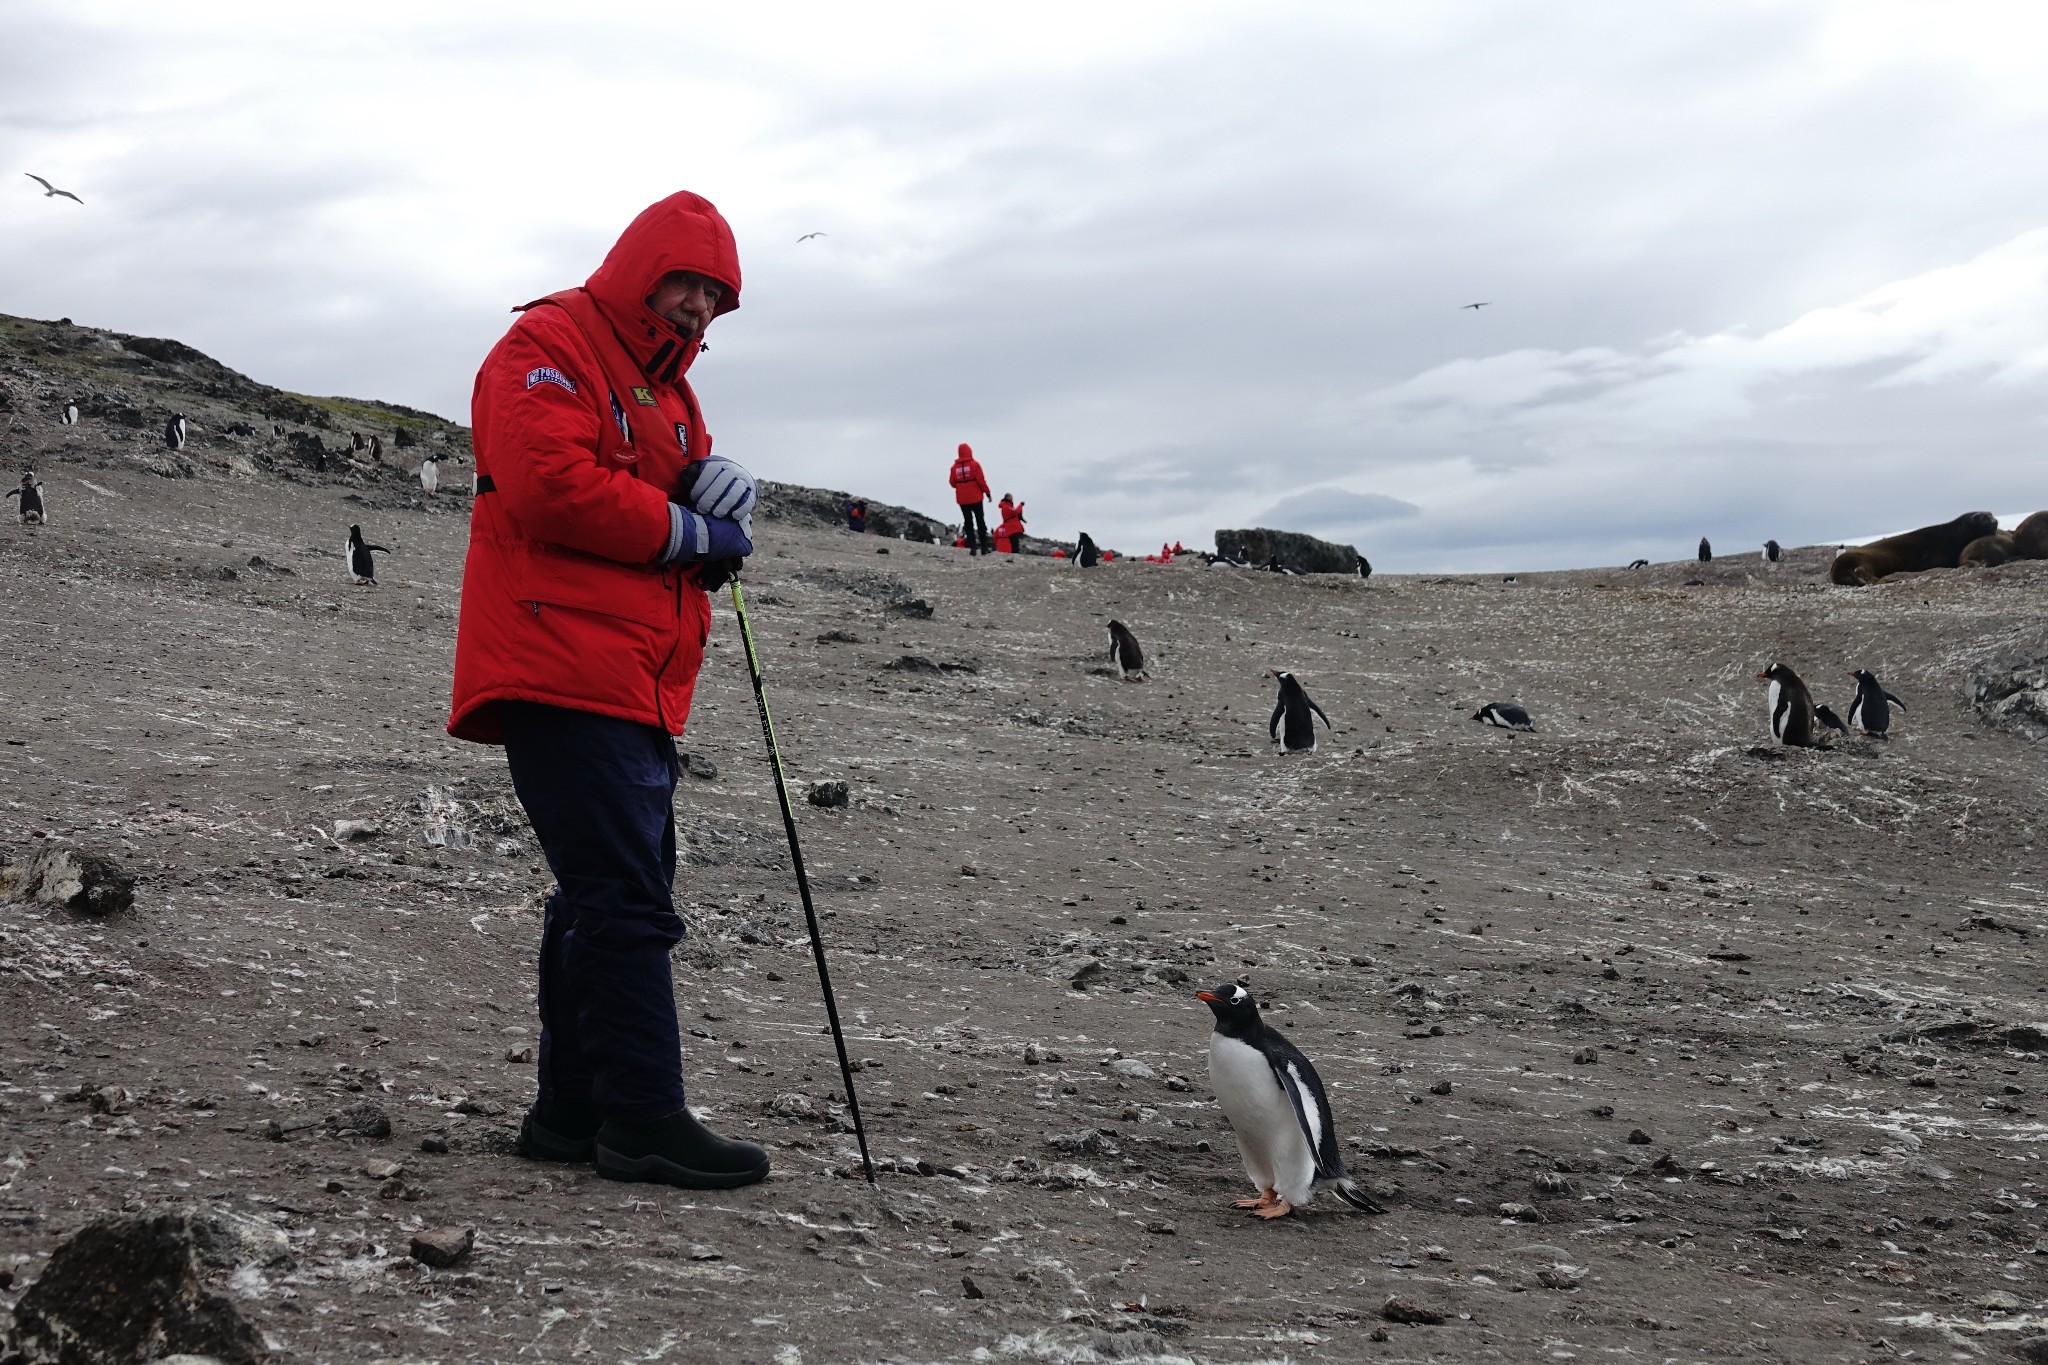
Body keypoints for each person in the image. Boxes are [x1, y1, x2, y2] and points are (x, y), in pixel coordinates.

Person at [447, 190, 770, 1192]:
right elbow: (550, 484)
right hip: (557, 661)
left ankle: (570, 1110)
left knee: (602, 893)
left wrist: (713, 496)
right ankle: (642, 1117)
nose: (699, 311)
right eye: (688, 285)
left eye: (717, 299)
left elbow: (654, 498)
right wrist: (688, 532)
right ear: (641, 266)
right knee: (625, 897)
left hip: (627, 672)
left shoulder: (669, 392)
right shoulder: (548, 344)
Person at [949, 442, 993, 554]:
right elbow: (981, 481)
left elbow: (952, 483)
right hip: (976, 498)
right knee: (980, 521)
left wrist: (961, 486)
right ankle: (984, 547)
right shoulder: (975, 465)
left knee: (968, 522)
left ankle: (972, 548)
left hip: (962, 499)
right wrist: (987, 492)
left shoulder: (954, 468)